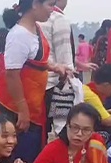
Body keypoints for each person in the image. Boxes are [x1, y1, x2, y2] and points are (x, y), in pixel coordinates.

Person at [0, 0, 68, 163]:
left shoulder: (36, 28)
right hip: (15, 107)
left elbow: (36, 60)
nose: (53, 9)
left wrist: (55, 67)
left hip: (33, 104)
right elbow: (12, 74)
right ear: (35, 4)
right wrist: (23, 110)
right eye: (50, 4)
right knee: (17, 154)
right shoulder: (19, 35)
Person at [40, 0, 76, 135]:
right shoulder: (58, 19)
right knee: (62, 129)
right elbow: (65, 60)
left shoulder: (28, 19)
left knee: (38, 129)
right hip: (53, 86)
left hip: (33, 84)